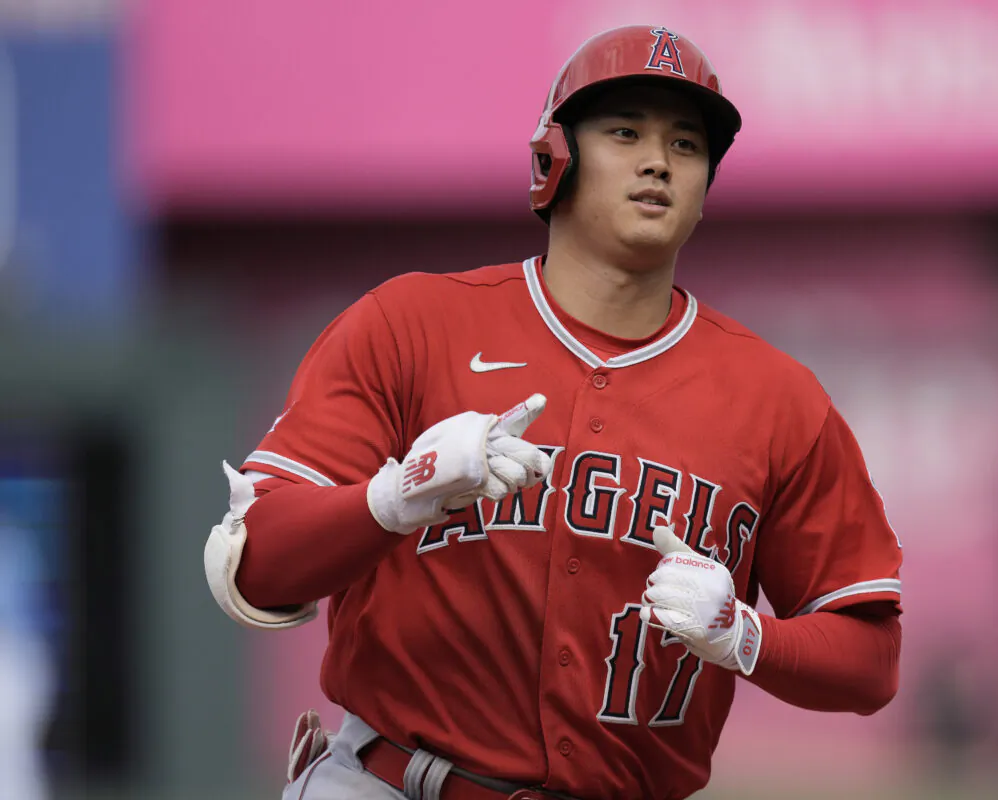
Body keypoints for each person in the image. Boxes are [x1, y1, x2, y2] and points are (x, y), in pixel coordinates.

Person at [204, 24, 903, 800]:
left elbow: (869, 663)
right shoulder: (410, 325)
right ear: (556, 159)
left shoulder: (780, 400)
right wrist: (392, 500)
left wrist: (746, 635)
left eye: (686, 144)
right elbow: (253, 567)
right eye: (625, 131)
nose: (657, 162)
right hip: (394, 783)